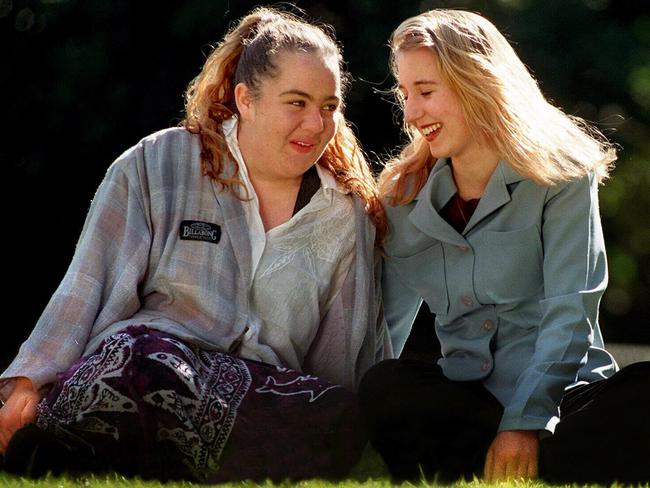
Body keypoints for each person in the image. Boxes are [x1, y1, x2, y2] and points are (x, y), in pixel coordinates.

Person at [0, 6, 390, 482]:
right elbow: (87, 282)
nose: (316, 124)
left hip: (254, 395)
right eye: (297, 103)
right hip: (143, 370)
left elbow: (341, 355)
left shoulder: (343, 214)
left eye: (329, 106)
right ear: (246, 98)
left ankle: (93, 451)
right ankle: (100, 438)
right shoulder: (156, 164)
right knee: (143, 362)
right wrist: (28, 381)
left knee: (335, 416)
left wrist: (336, 420)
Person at [359, 8, 649, 485]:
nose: (411, 113)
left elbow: (570, 311)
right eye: (405, 94)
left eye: (426, 92)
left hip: (565, 400)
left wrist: (524, 423)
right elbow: (383, 326)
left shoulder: (563, 178)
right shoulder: (402, 196)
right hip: (465, 403)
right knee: (385, 387)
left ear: (478, 83)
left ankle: (521, 459)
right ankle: (543, 466)